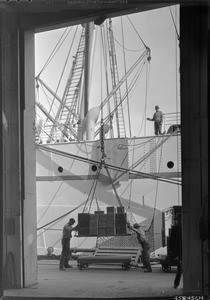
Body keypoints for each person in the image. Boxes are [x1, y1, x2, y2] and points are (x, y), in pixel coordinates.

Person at [166, 212, 182, 288]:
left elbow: (171, 240)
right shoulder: (186, 227)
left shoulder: (175, 227)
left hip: (178, 250)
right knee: (181, 267)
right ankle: (177, 284)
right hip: (184, 250)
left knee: (180, 268)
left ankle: (176, 284)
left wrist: (170, 250)